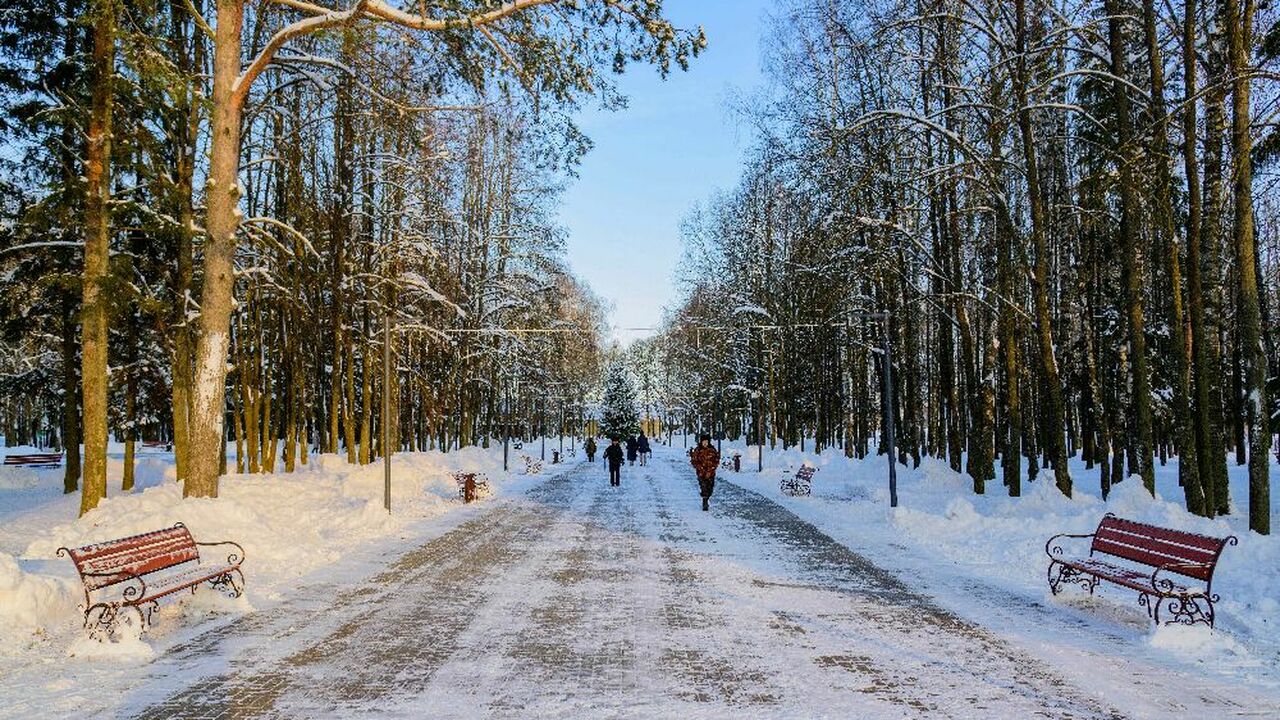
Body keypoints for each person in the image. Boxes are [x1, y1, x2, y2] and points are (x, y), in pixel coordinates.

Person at [689, 434, 720, 512]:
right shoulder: (698, 450)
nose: (705, 443)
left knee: (710, 488)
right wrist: (700, 468)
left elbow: (716, 460)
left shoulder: (712, 450)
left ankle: (707, 498)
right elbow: (694, 461)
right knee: (704, 487)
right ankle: (705, 502)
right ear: (701, 442)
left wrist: (712, 468)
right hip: (701, 473)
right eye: (704, 442)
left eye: (706, 442)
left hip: (711, 473)